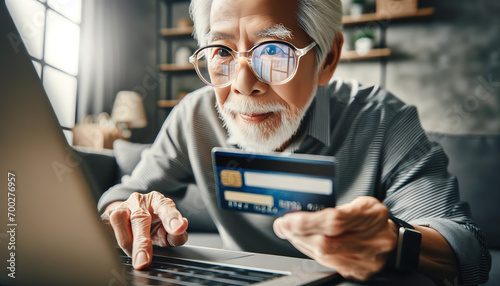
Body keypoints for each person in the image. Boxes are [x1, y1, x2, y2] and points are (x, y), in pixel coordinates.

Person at [98, 0, 491, 284]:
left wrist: (393, 241)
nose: (242, 84)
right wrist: (129, 212)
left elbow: (470, 254)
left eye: (274, 50)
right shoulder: (194, 115)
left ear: (328, 59)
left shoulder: (384, 121)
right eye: (221, 51)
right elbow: (124, 193)